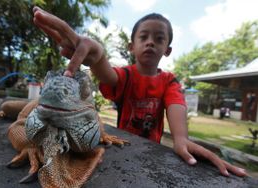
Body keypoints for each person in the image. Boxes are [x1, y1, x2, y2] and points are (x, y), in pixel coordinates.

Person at [32, 6, 247, 177]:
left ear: (168, 50)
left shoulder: (170, 81)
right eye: (144, 37)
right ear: (131, 46)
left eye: (159, 38)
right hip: (121, 148)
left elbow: (176, 105)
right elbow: (108, 75)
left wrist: (181, 139)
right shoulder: (126, 76)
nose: (151, 42)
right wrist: (98, 57)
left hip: (151, 152)